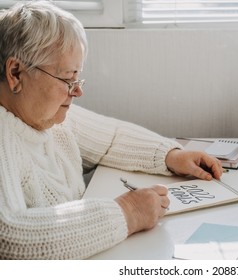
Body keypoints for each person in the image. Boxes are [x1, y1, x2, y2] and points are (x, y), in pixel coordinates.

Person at [0, 1, 223, 260]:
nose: (77, 91)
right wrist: (127, 212)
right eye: (67, 79)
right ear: (16, 73)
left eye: (77, 78)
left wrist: (171, 156)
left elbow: (111, 138)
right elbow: (8, 238)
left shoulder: (44, 117)